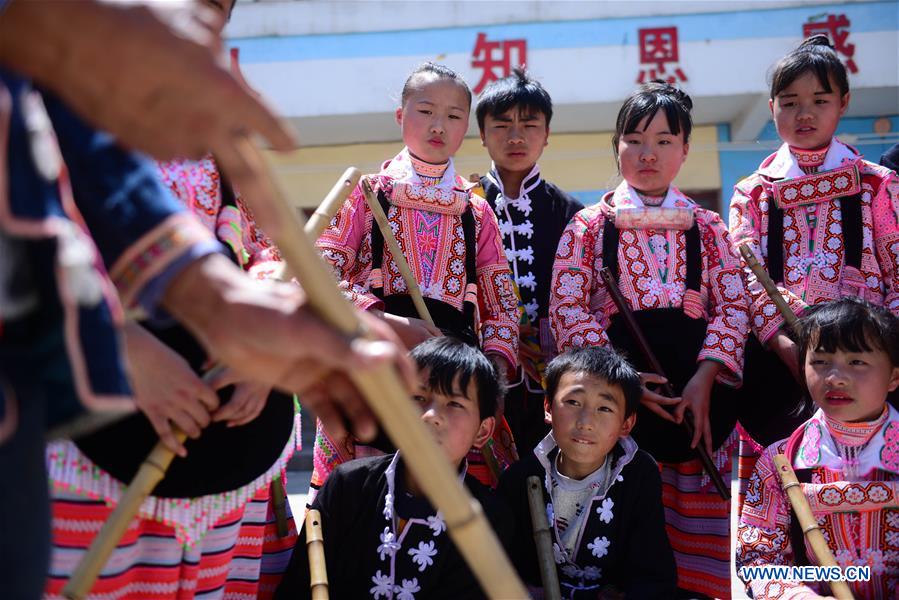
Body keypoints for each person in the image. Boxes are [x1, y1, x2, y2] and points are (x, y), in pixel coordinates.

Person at [0, 3, 413, 595]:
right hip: (75, 414)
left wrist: (235, 317)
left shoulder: (186, 128)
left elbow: (231, 246)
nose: (195, 26)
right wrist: (122, 343)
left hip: (215, 426)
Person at [549, 81, 749, 598]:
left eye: (664, 140)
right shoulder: (589, 227)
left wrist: (707, 378)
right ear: (616, 145)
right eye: (634, 138)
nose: (647, 153)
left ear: (685, 149)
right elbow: (567, 308)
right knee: (626, 544)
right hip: (617, 409)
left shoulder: (709, 227)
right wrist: (625, 383)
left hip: (699, 408)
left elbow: (734, 306)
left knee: (701, 551)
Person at [310, 63, 520, 494]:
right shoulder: (367, 192)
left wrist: (491, 376)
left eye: (454, 115)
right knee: (366, 500)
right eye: (425, 111)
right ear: (400, 116)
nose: (438, 125)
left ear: (468, 126)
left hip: (455, 384)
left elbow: (501, 306)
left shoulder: (476, 210)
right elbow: (315, 278)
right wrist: (389, 323)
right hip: (376, 369)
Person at [729, 35, 899, 509]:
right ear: (771, 107)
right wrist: (783, 345)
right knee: (788, 494)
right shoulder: (753, 193)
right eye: (790, 103)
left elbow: (897, 272)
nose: (804, 114)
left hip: (871, 365)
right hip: (780, 365)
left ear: (843, 103)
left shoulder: (878, 184)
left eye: (819, 101)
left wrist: (880, 355)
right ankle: (791, 579)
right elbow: (745, 276)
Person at [276, 337, 512, 600]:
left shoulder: (490, 520)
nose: (431, 416)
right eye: (418, 398)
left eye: (454, 404)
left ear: (483, 431)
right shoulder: (348, 486)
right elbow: (297, 588)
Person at [736, 297, 899, 598]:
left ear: (894, 377)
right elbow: (757, 559)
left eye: (857, 362)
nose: (835, 378)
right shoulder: (780, 461)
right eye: (821, 362)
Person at [498, 346, 676, 599]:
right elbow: (503, 569)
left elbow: (653, 575)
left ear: (627, 423)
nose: (585, 422)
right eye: (572, 402)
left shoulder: (639, 476)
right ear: (548, 407)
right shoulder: (520, 478)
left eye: (604, 408)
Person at [475, 67, 583, 456]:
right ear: (483, 134)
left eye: (530, 124)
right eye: (501, 125)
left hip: (556, 374)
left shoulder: (574, 213)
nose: (516, 136)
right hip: (481, 366)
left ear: (547, 133)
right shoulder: (464, 205)